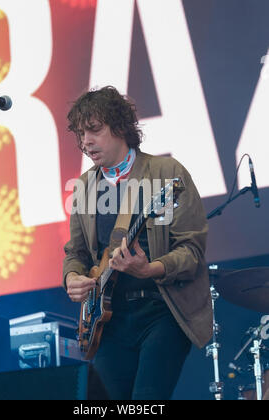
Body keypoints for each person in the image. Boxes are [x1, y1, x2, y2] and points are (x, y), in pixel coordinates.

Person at [63, 85, 213, 400]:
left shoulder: (166, 174)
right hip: (108, 321)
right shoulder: (84, 187)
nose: (85, 141)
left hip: (161, 311)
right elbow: (75, 253)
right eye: (80, 134)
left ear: (120, 128)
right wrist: (72, 277)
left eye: (94, 130)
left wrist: (151, 269)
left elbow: (192, 251)